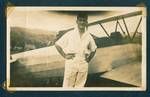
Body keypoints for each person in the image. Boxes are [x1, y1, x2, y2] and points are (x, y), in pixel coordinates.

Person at [55, 13, 97, 88]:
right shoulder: (70, 34)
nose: (82, 22)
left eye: (84, 20)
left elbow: (94, 49)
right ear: (77, 21)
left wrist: (88, 59)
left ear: (86, 22)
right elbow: (57, 45)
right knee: (67, 86)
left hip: (83, 63)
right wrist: (64, 55)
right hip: (71, 62)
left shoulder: (88, 36)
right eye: (80, 20)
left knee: (80, 86)